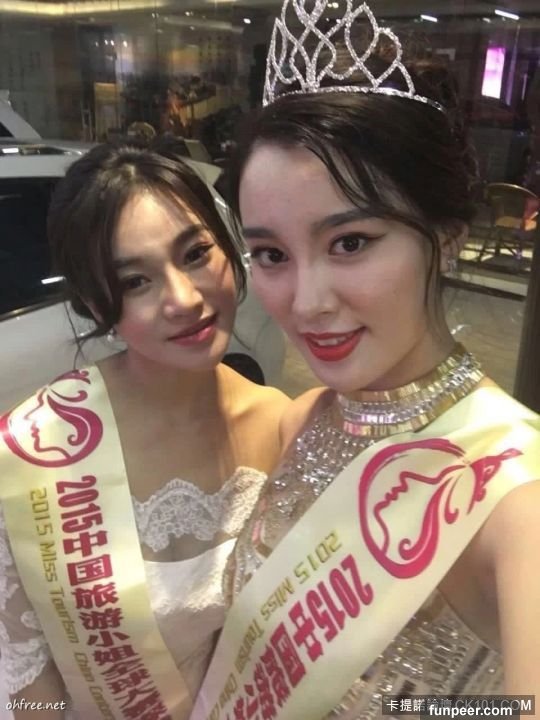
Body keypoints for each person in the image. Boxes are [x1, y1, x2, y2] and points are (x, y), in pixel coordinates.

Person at [190, 3, 540, 719]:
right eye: (271, 254)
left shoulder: (516, 497)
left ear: (445, 236)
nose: (307, 302)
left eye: (349, 243)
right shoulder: (303, 420)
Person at [0, 139, 290, 719]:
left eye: (195, 254)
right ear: (94, 303)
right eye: (135, 282)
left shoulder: (282, 424)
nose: (184, 299)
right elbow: (27, 672)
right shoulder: (39, 447)